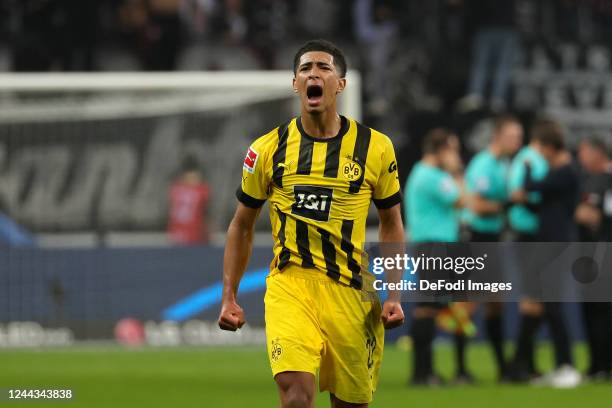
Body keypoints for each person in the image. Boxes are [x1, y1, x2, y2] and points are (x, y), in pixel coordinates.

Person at [217, 39, 405, 407]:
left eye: (323, 68)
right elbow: (241, 224)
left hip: (352, 290)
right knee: (296, 396)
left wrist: (393, 293)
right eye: (305, 69)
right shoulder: (267, 149)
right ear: (295, 84)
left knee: (350, 403)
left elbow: (391, 222)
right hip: (291, 285)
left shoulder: (376, 148)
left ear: (341, 84)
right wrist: (229, 296)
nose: (313, 74)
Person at [510, 119, 581, 388]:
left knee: (552, 306)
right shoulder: (561, 172)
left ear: (549, 147)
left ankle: (567, 365)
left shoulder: (564, 172)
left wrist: (527, 171)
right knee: (546, 304)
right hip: (549, 242)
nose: (537, 155)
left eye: (540, 149)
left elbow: (533, 188)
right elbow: (544, 207)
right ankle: (558, 364)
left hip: (555, 244)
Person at [404, 128, 472, 385]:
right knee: (429, 309)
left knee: (435, 307)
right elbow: (462, 200)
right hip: (434, 246)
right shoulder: (432, 176)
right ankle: (423, 373)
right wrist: (456, 172)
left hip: (436, 244)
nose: (456, 155)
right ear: (442, 150)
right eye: (453, 149)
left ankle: (427, 372)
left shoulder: (424, 174)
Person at [464, 114, 523, 380]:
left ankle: (503, 367)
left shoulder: (504, 164)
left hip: (493, 239)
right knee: (468, 305)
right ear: (498, 137)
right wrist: (509, 204)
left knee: (495, 304)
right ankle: (460, 368)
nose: (518, 142)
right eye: (513, 136)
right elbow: (476, 205)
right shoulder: (483, 164)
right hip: (475, 239)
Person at [507, 123, 549, 381]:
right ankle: (518, 364)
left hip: (531, 235)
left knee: (537, 302)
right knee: (533, 301)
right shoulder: (529, 160)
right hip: (528, 236)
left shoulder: (527, 159)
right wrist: (541, 203)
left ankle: (525, 364)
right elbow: (518, 193)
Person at [575, 137, 612, 381]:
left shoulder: (602, 180)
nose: (581, 158)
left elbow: (591, 217)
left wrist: (572, 210)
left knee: (599, 311)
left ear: (597, 153)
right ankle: (599, 365)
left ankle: (601, 366)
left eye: (583, 152)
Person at [167, 156, 211, 245]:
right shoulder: (202, 190)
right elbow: (207, 214)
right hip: (194, 235)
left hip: (177, 235)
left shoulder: (175, 189)